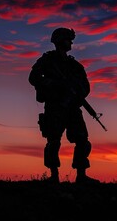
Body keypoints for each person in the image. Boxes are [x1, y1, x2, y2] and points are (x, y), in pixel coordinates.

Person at [29, 27, 99, 184]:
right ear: (60, 41)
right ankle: (54, 176)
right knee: (53, 141)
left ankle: (81, 176)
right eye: (68, 39)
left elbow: (85, 86)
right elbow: (34, 77)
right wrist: (54, 85)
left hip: (73, 108)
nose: (71, 43)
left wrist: (77, 94)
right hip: (55, 107)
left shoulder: (74, 65)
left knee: (82, 140)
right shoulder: (47, 60)